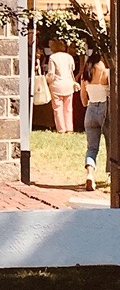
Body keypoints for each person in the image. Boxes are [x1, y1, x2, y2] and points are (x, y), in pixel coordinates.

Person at [81, 50, 110, 192]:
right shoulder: (106, 73)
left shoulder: (85, 76)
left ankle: (90, 174)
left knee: (92, 147)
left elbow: (83, 100)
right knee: (112, 146)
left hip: (91, 110)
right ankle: (112, 174)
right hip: (105, 109)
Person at [46, 38, 78, 134]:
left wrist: (47, 81)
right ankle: (69, 128)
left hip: (56, 85)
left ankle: (61, 129)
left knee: (57, 108)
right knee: (68, 108)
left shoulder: (52, 57)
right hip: (68, 84)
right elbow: (72, 70)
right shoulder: (69, 57)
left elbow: (51, 73)